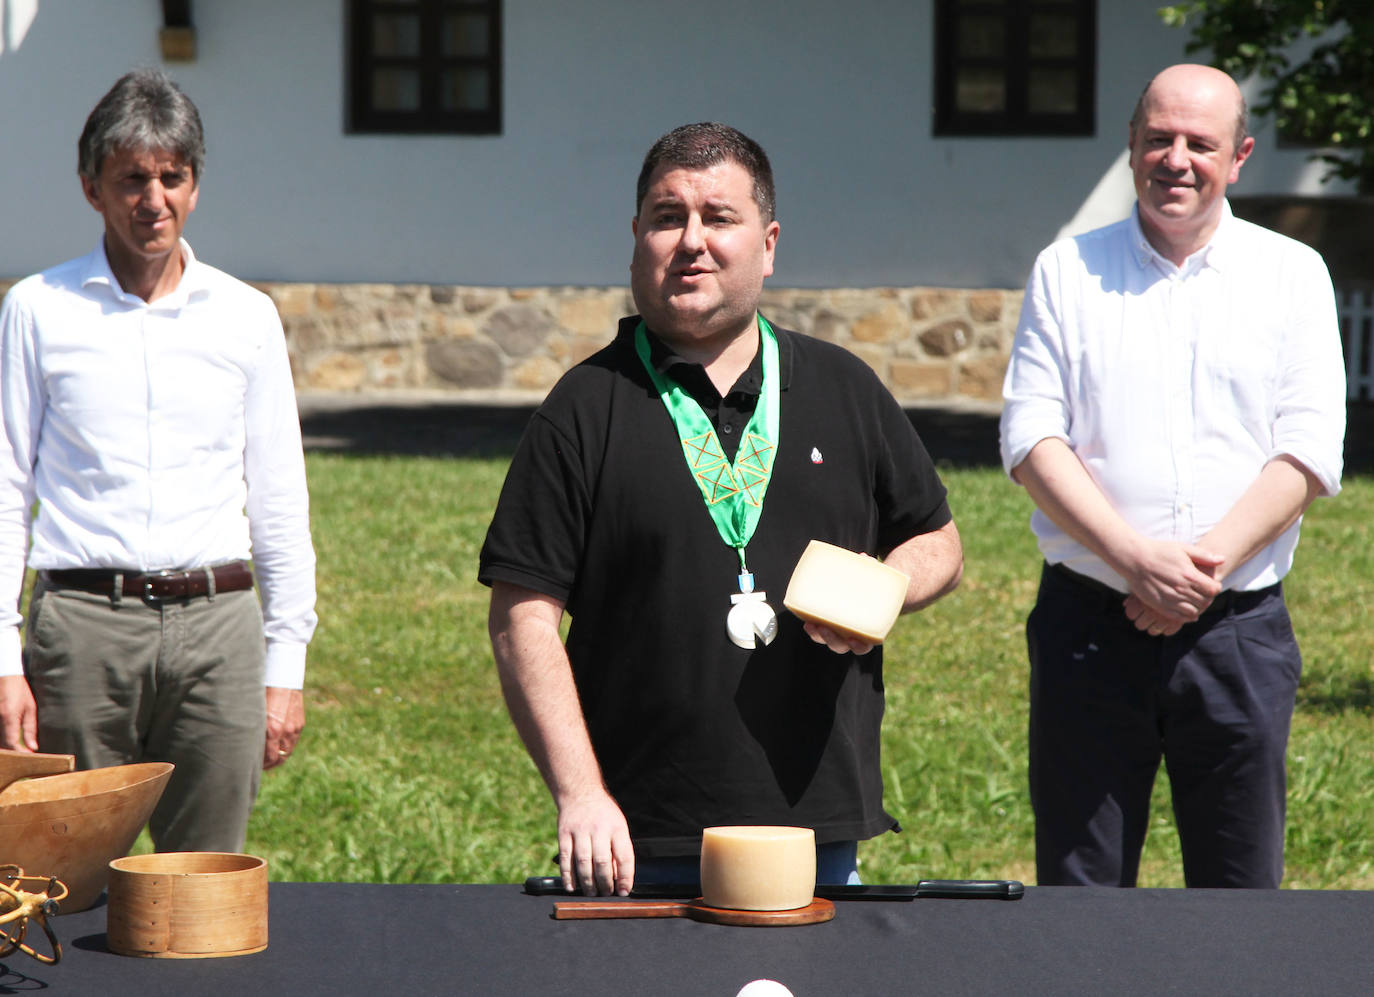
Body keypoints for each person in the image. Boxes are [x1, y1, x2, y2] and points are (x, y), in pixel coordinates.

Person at [480, 122, 962, 896]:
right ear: (636, 237)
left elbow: (938, 539)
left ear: (768, 244)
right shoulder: (582, 408)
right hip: (638, 838)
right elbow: (522, 618)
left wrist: (886, 588)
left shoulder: (844, 387)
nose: (691, 240)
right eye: (668, 217)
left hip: (814, 834)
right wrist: (580, 794)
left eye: (719, 218)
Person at [1000, 64, 1346, 888]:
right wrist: (1135, 559)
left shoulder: (1292, 274)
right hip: (1089, 628)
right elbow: (1031, 436)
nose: (1177, 159)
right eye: (1158, 138)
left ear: (1240, 157)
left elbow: (1309, 449)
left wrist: (1200, 569)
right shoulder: (1066, 271)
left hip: (1237, 635)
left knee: (1238, 893)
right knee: (1081, 894)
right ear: (1130, 147)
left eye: (1201, 143)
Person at [0, 69, 317, 853]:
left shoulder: (245, 318)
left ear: (195, 185)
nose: (154, 199)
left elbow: (279, 498)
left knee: (202, 886)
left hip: (217, 630)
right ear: (91, 188)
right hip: (81, 628)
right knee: (64, 883)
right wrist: (4, 661)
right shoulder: (38, 309)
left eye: (172, 177)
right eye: (132, 178)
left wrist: (286, 664)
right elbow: (5, 488)